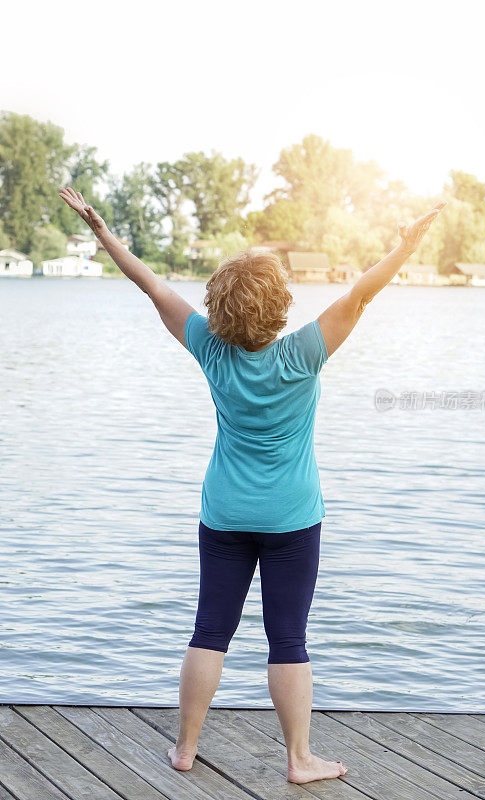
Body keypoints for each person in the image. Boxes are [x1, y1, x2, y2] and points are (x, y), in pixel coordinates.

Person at [59, 186, 445, 784]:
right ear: (281, 305)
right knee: (288, 638)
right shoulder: (305, 353)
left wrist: (103, 232)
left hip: (225, 514)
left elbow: (153, 287)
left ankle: (185, 748)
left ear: (220, 306)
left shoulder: (213, 352)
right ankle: (298, 759)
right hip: (292, 516)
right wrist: (406, 244)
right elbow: (362, 292)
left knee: (210, 628)